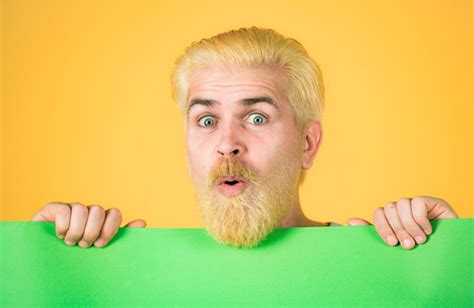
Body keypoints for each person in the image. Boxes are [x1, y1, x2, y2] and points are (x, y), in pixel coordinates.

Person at [31, 27, 458, 249]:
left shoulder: (381, 263)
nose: (227, 143)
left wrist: (449, 260)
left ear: (308, 144)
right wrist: (45, 261)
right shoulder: (124, 272)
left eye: (256, 117)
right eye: (205, 120)